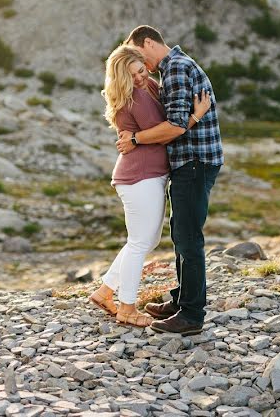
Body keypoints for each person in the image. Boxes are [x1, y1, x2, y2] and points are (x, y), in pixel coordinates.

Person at [89, 45, 211, 327]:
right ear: (121, 78)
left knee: (145, 240)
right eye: (131, 75)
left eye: (141, 70)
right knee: (140, 242)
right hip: (140, 176)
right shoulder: (136, 98)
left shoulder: (147, 88)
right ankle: (127, 308)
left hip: (143, 175)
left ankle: (106, 291)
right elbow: (168, 133)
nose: (139, 78)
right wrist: (195, 115)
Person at [116, 25, 224, 336]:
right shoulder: (176, 67)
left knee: (188, 238)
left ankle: (191, 315)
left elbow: (175, 125)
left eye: (139, 56)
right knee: (181, 233)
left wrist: (135, 139)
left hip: (193, 163)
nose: (142, 67)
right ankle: (182, 300)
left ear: (148, 43)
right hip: (192, 163)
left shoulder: (175, 69)